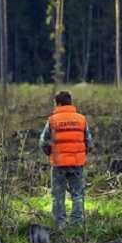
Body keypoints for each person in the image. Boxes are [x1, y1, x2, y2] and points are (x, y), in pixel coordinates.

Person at [39, 91, 92, 228]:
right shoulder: (81, 119)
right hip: (77, 163)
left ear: (58, 103)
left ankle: (60, 224)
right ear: (70, 102)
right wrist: (81, 154)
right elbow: (89, 142)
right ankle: (77, 223)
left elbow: (43, 142)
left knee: (58, 195)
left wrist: (49, 153)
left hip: (58, 163)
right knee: (78, 194)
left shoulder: (52, 120)